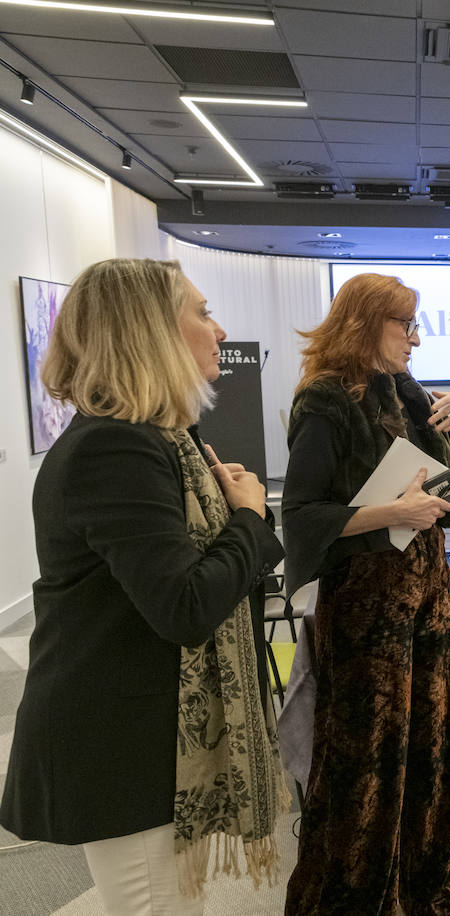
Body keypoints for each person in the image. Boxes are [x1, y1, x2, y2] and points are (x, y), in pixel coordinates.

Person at [0, 258, 290, 915]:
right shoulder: (117, 448)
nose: (219, 330)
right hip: (119, 738)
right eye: (202, 312)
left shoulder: (159, 439)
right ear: (149, 332)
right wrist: (248, 518)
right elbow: (185, 607)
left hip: (143, 724)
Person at [281, 272, 450, 914]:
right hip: (365, 603)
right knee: (367, 755)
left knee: (432, 743)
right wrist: (391, 514)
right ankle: (359, 893)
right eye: (404, 324)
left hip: (427, 593)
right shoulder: (324, 402)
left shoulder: (409, 395)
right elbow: (302, 515)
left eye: (415, 324)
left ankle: (428, 879)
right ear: (363, 324)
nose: (415, 337)